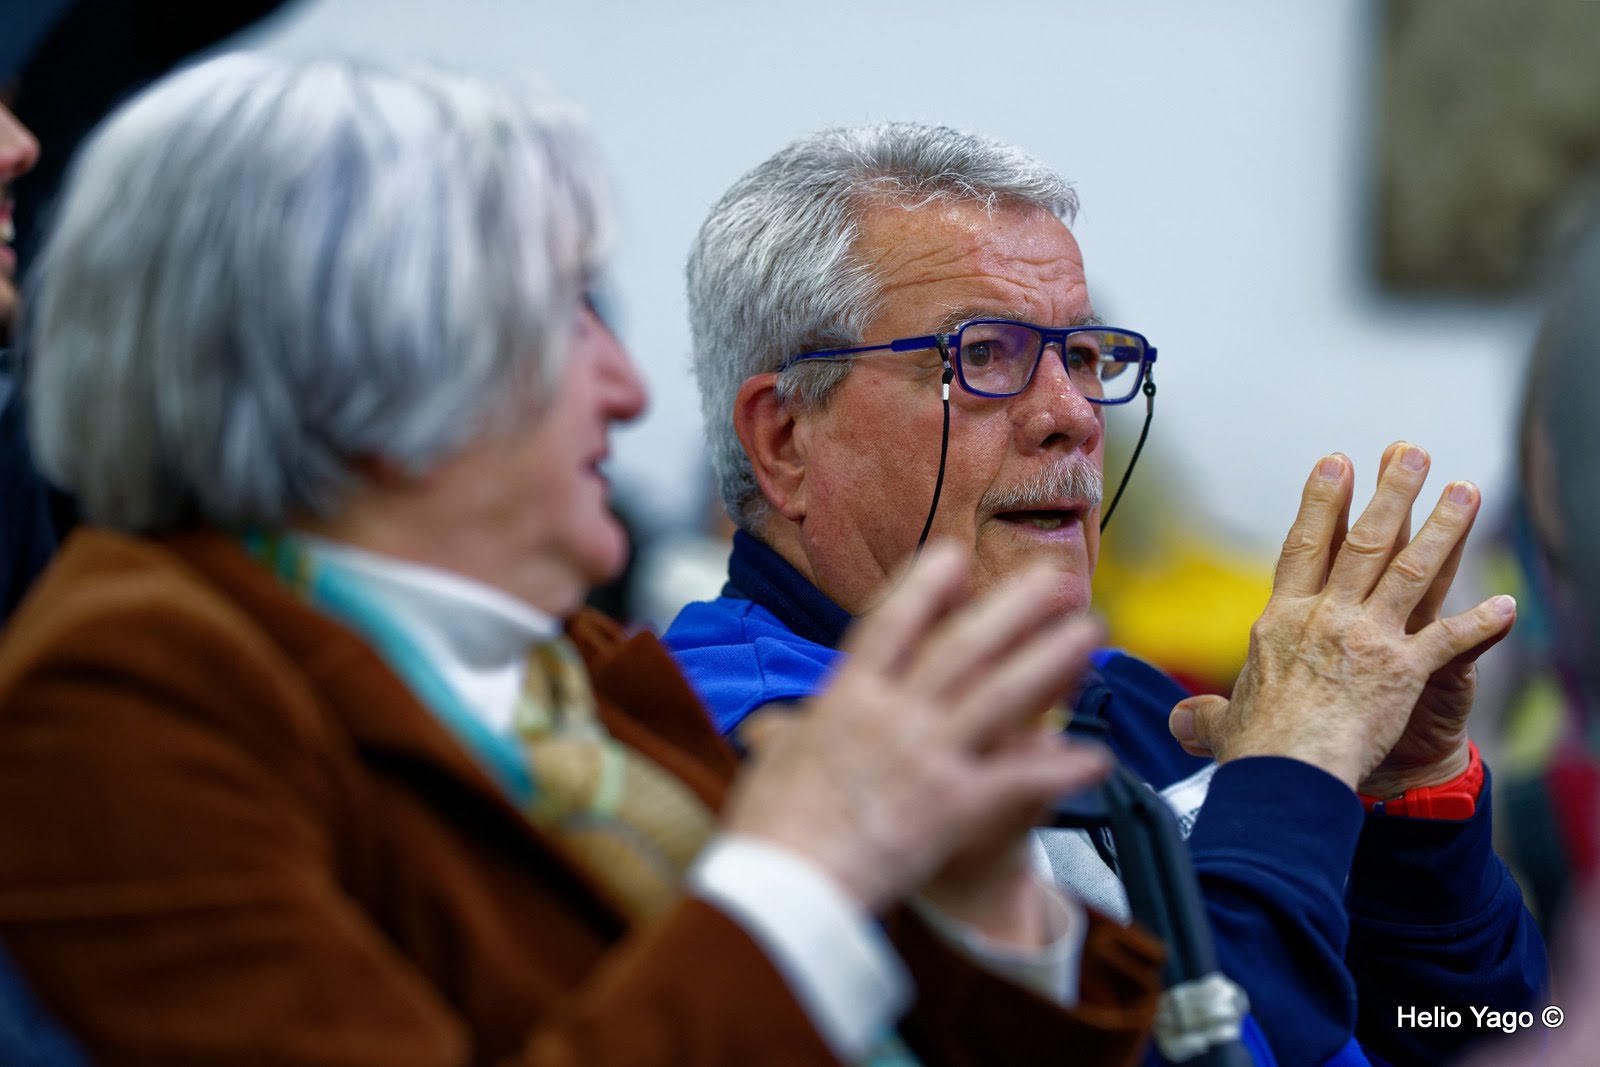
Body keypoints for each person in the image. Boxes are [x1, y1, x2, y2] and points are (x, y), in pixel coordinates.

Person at [0, 58, 1166, 1065]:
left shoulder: (573, 661)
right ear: (352, 349)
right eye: (567, 312)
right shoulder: (122, 689)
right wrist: (805, 868)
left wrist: (987, 907)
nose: (629, 388)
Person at [662, 122, 1548, 1067]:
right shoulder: (739, 756)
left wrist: (1412, 810)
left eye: (1085, 357)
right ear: (786, 439)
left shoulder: (1123, 699)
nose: (1075, 417)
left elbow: (1483, 1035)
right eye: (987, 354)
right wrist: (1289, 772)